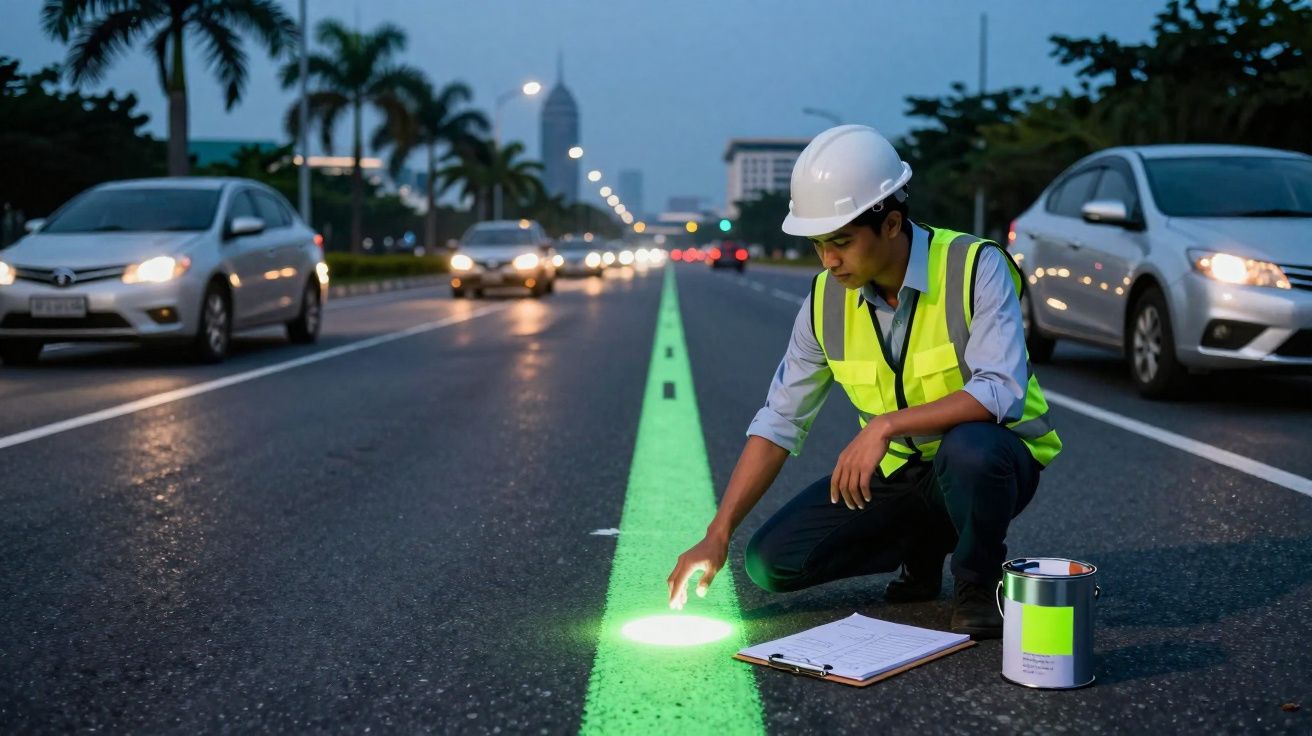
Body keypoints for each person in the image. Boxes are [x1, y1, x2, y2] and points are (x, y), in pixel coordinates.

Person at [665, 125, 1062, 638]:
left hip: (988, 464)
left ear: (892, 223)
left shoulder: (974, 266)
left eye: (842, 243)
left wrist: (885, 426)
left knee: (971, 451)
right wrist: (717, 533)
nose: (829, 260)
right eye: (818, 245)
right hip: (902, 475)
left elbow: (1000, 389)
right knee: (771, 562)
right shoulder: (825, 300)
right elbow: (781, 419)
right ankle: (922, 549)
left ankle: (976, 584)